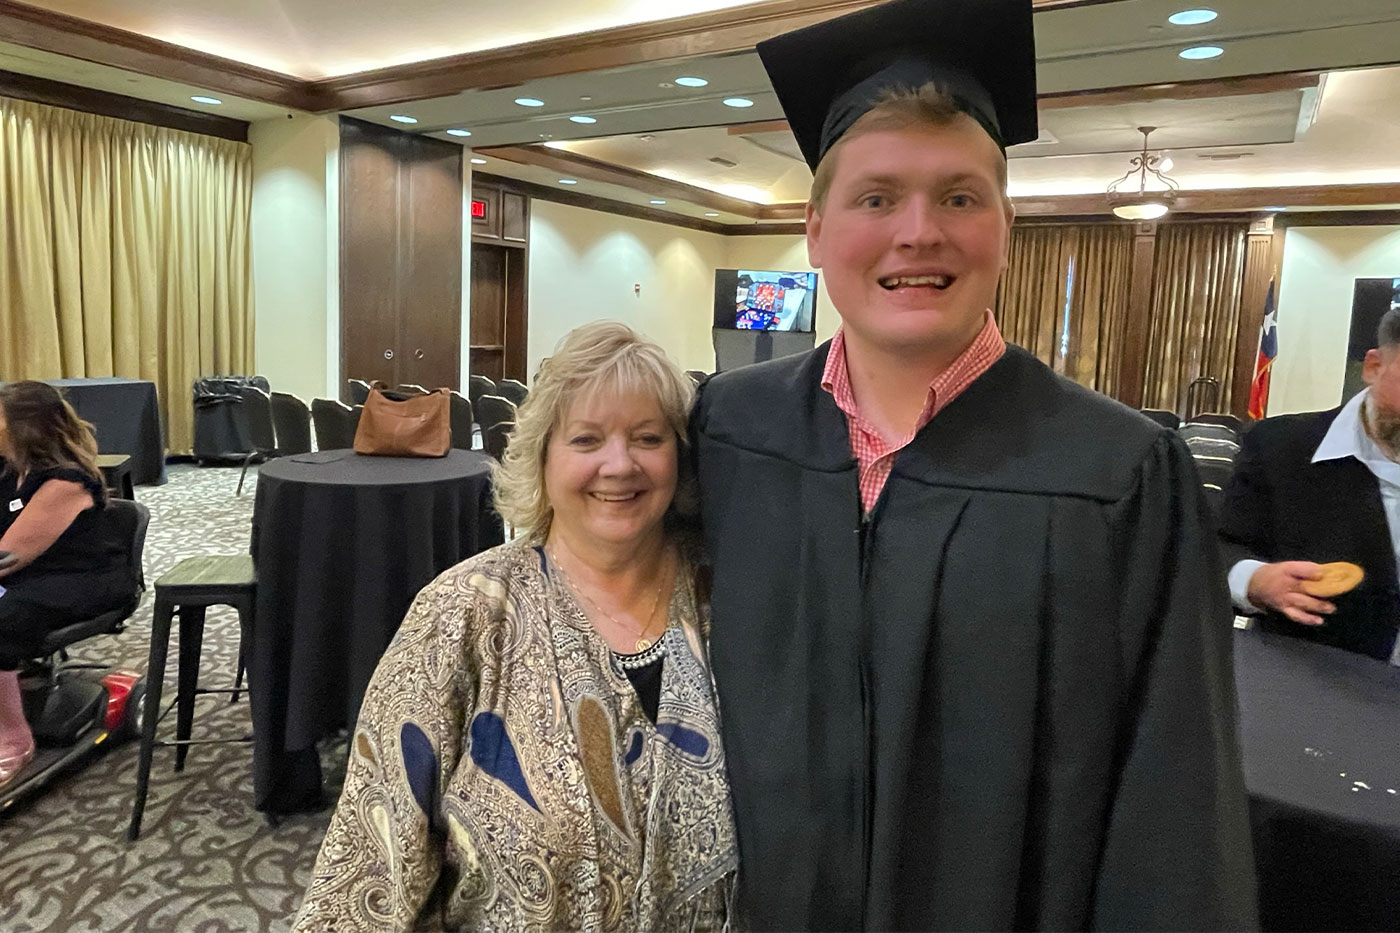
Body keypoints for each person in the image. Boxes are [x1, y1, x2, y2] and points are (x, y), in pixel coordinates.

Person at [690, 0, 1258, 928]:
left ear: (1005, 225)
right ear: (815, 229)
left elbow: (1176, 805)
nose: (919, 232)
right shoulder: (731, 426)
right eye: (877, 197)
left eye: (959, 196)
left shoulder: (1119, 474)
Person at [294, 322, 736, 931]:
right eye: (586, 439)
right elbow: (369, 869)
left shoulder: (733, 602)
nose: (619, 464)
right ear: (542, 456)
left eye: (647, 437)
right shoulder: (460, 616)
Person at [1220, 308, 1400, 660]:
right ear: (1374, 367)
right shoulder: (1280, 448)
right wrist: (1256, 581)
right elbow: (1219, 547)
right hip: (1316, 685)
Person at [0, 381, 130, 789]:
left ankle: (13, 739)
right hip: (32, 576)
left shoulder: (64, 482)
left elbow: (8, 557)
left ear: (24, 427)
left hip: (81, 579)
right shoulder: (8, 470)